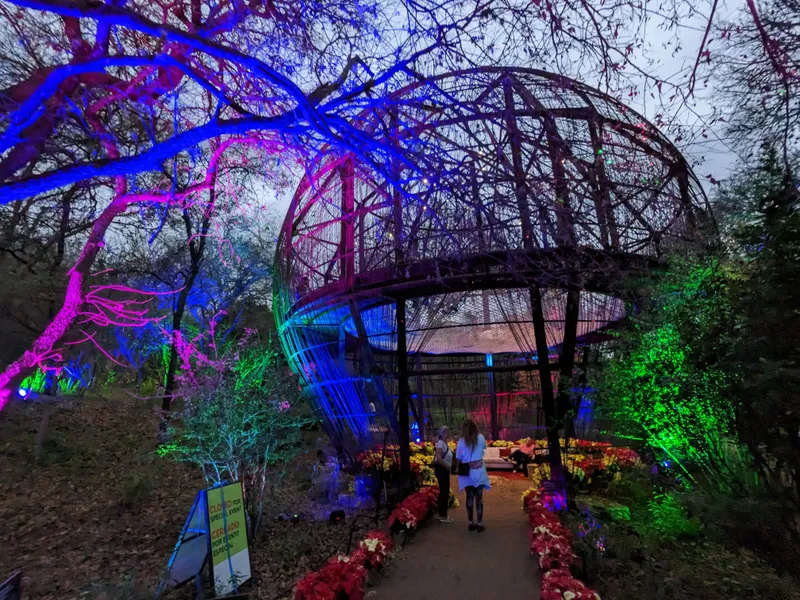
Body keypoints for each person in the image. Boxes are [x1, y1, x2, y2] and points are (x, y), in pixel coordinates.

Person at [456, 419, 491, 532]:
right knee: (479, 499)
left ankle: (470, 522)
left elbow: (459, 458)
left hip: (467, 473)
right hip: (479, 471)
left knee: (469, 497)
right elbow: (484, 448)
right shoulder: (480, 438)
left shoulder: (461, 441)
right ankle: (480, 523)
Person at [433, 426, 453, 523]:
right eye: (445, 432)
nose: (447, 433)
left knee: (445, 491)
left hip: (444, 470)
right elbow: (439, 458)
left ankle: (443, 514)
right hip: (442, 469)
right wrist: (447, 466)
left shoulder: (445, 443)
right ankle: (442, 515)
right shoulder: (440, 443)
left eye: (447, 431)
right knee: (444, 491)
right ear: (442, 433)